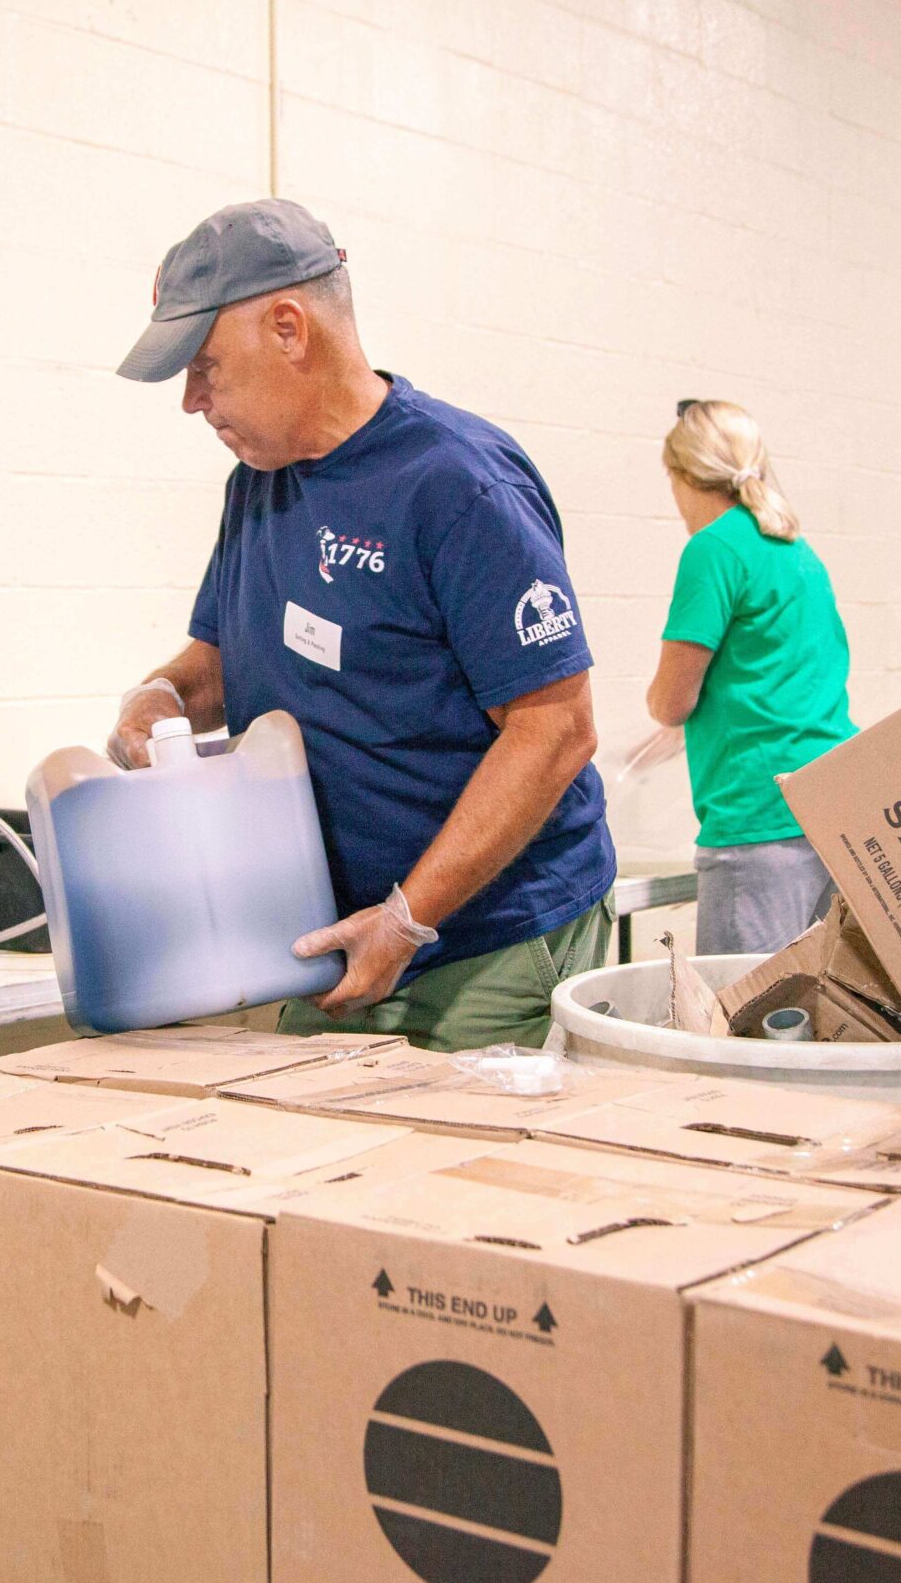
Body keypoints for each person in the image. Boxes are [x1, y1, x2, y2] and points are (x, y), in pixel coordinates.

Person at [107, 199, 615, 1052]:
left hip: (487, 946)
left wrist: (410, 917)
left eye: (204, 366)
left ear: (288, 328)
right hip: (343, 940)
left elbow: (557, 726)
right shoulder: (259, 484)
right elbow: (228, 657)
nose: (193, 401)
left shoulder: (455, 486)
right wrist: (161, 694)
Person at [642, 399, 856, 955]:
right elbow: (779, 676)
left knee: (742, 1020)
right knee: (814, 1013)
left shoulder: (712, 549)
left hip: (757, 818)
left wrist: (668, 710)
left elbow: (671, 701)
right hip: (828, 806)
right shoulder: (796, 550)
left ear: (684, 476)